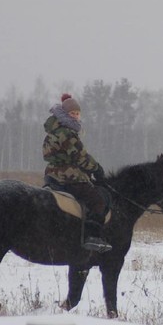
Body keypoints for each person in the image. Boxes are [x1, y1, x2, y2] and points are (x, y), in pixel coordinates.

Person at [43, 93, 111, 253]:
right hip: (68, 176)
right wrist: (96, 168)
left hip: (52, 175)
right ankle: (92, 237)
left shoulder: (55, 130)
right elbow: (79, 156)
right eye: (72, 113)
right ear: (65, 114)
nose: (75, 116)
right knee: (97, 201)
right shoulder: (66, 133)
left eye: (77, 113)